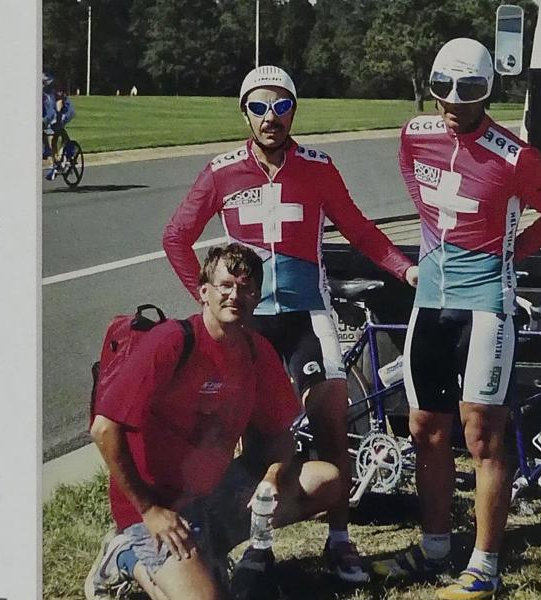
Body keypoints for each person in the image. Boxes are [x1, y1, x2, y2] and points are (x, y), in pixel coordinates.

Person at [163, 65, 419, 585]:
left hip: (306, 314)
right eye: (259, 107)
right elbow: (176, 236)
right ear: (245, 113)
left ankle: (341, 539)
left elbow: (360, 230)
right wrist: (208, 298)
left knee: (331, 425)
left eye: (281, 106)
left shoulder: (319, 168)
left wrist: (405, 268)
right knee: (249, 439)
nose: (270, 117)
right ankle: (254, 544)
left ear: (294, 110)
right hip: (247, 323)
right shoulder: (221, 171)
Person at [372, 38, 541, 599]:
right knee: (425, 428)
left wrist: (515, 252)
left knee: (482, 434)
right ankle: (435, 545)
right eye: (442, 87)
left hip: (485, 307)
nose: (452, 101)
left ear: (489, 91)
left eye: (469, 90)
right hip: (430, 304)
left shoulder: (517, 157)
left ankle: (484, 564)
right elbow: (420, 196)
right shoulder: (414, 135)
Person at [84, 243, 343, 600]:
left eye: (246, 288)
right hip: (155, 507)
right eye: (225, 285)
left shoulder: (256, 351)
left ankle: (208, 551)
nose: (235, 295)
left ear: (257, 296)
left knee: (325, 480)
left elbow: (280, 436)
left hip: (210, 494)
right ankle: (125, 555)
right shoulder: (172, 342)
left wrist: (270, 477)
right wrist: (149, 509)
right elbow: (104, 428)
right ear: (204, 292)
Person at [44, 78, 77, 180]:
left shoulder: (58, 94)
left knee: (57, 133)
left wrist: (58, 118)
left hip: (65, 114)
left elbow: (62, 107)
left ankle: (66, 153)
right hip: (55, 117)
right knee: (53, 140)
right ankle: (58, 161)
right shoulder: (48, 96)